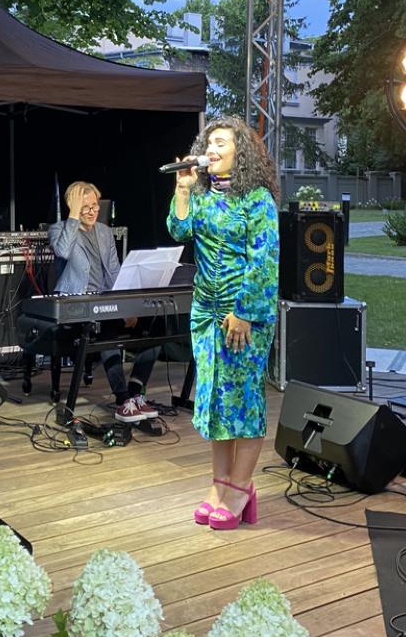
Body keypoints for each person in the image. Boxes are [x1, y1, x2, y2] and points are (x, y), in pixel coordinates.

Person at [167, 117, 280, 531]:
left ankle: (242, 486)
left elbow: (264, 259)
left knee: (243, 402)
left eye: (220, 143)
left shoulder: (257, 200)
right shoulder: (202, 194)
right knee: (215, 401)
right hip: (206, 313)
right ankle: (219, 484)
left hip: (243, 315)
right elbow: (178, 230)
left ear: (240, 152)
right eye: (208, 143)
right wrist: (182, 188)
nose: (210, 150)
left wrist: (245, 311)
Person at [47, 181, 159, 424]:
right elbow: (63, 251)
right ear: (73, 206)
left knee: (156, 324)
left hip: (108, 300)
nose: (92, 211)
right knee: (106, 327)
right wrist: (73, 217)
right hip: (77, 305)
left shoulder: (105, 232)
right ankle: (122, 400)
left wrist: (128, 305)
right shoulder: (59, 230)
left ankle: (135, 391)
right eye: (85, 207)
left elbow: (115, 272)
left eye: (95, 205)